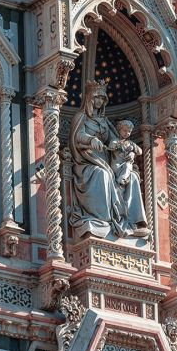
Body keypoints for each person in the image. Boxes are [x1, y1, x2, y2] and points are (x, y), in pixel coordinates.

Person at [68, 81, 120, 239]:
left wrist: (115, 144)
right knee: (101, 174)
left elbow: (114, 139)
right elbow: (77, 136)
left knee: (125, 176)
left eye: (102, 98)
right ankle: (100, 218)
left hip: (103, 159)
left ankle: (112, 220)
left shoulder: (104, 121)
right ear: (90, 98)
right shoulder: (81, 117)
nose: (99, 101)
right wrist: (91, 140)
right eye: (96, 97)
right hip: (85, 161)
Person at [109, 119, 148, 236]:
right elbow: (110, 147)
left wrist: (132, 153)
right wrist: (118, 146)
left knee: (130, 168)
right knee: (126, 166)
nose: (127, 133)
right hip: (116, 165)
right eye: (124, 130)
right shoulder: (115, 141)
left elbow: (140, 151)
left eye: (129, 131)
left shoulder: (130, 143)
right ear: (119, 130)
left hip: (127, 166)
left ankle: (135, 220)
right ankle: (121, 179)